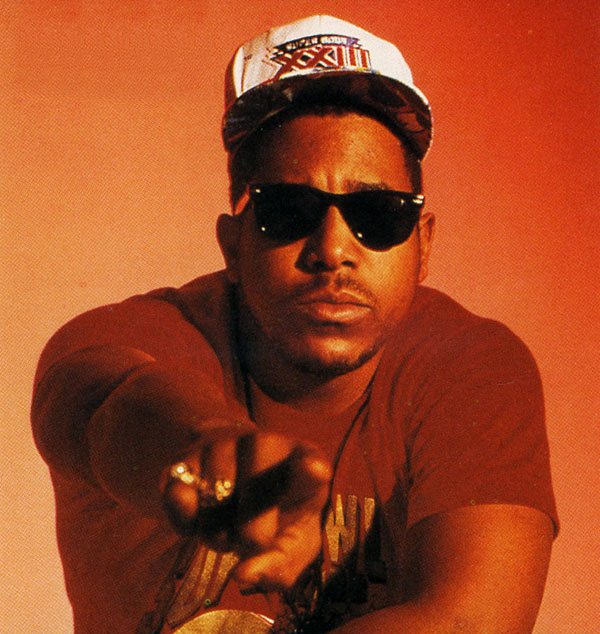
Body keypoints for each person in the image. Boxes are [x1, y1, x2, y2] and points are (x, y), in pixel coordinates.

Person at [31, 15, 558, 634]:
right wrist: (204, 447)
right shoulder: (129, 337)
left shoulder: (472, 369)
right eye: (288, 210)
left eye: (378, 214)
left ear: (423, 244)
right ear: (232, 243)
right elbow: (98, 404)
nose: (333, 249)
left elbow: (472, 621)